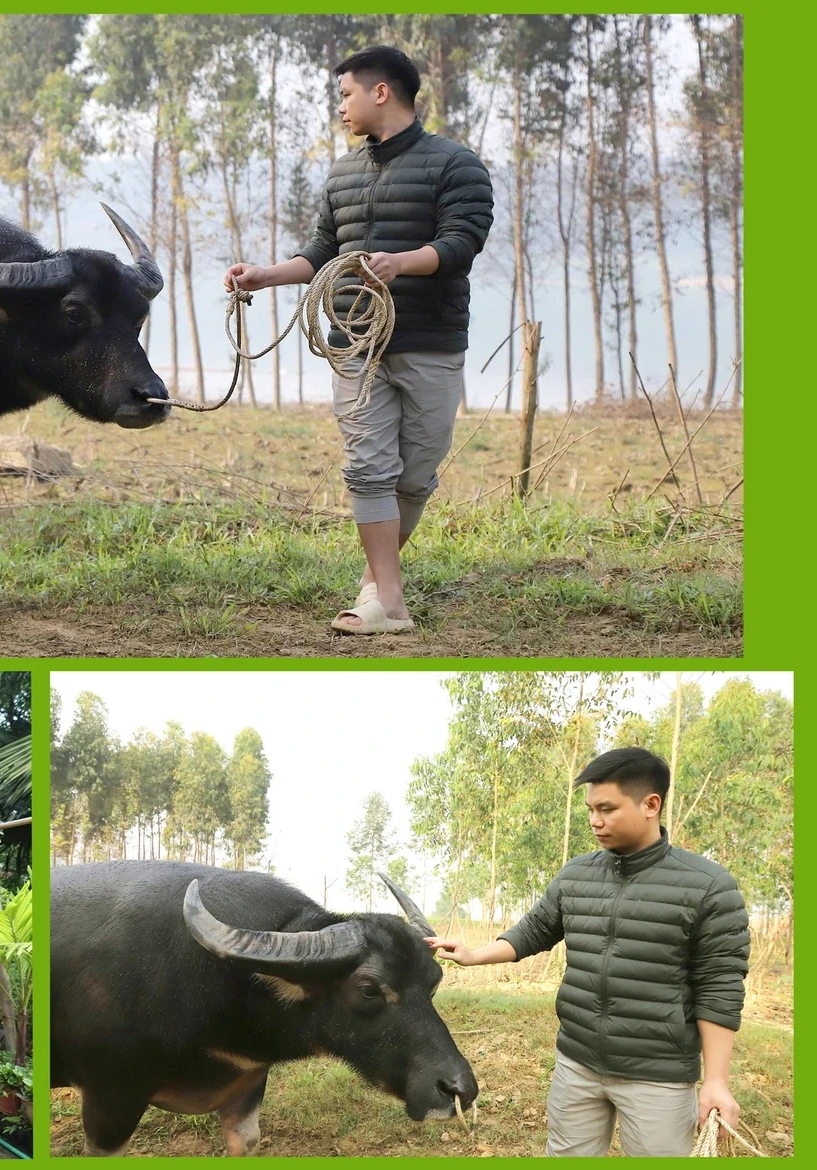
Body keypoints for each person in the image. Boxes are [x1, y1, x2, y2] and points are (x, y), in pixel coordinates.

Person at [224, 45, 493, 634]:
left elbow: (461, 244)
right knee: (368, 469)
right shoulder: (343, 173)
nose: (340, 107)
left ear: (380, 92)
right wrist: (266, 275)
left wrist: (401, 263)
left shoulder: (456, 165)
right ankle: (390, 604)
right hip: (354, 343)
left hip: (428, 341)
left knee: (415, 474)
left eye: (345, 94)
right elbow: (324, 248)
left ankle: (377, 585)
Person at [426, 747, 750, 1156]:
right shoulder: (576, 875)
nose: (595, 821)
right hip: (576, 1062)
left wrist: (716, 1080)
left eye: (607, 809)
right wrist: (473, 954)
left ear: (651, 804)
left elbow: (720, 985)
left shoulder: (708, 886)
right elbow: (534, 931)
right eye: (590, 809)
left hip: (657, 1075)